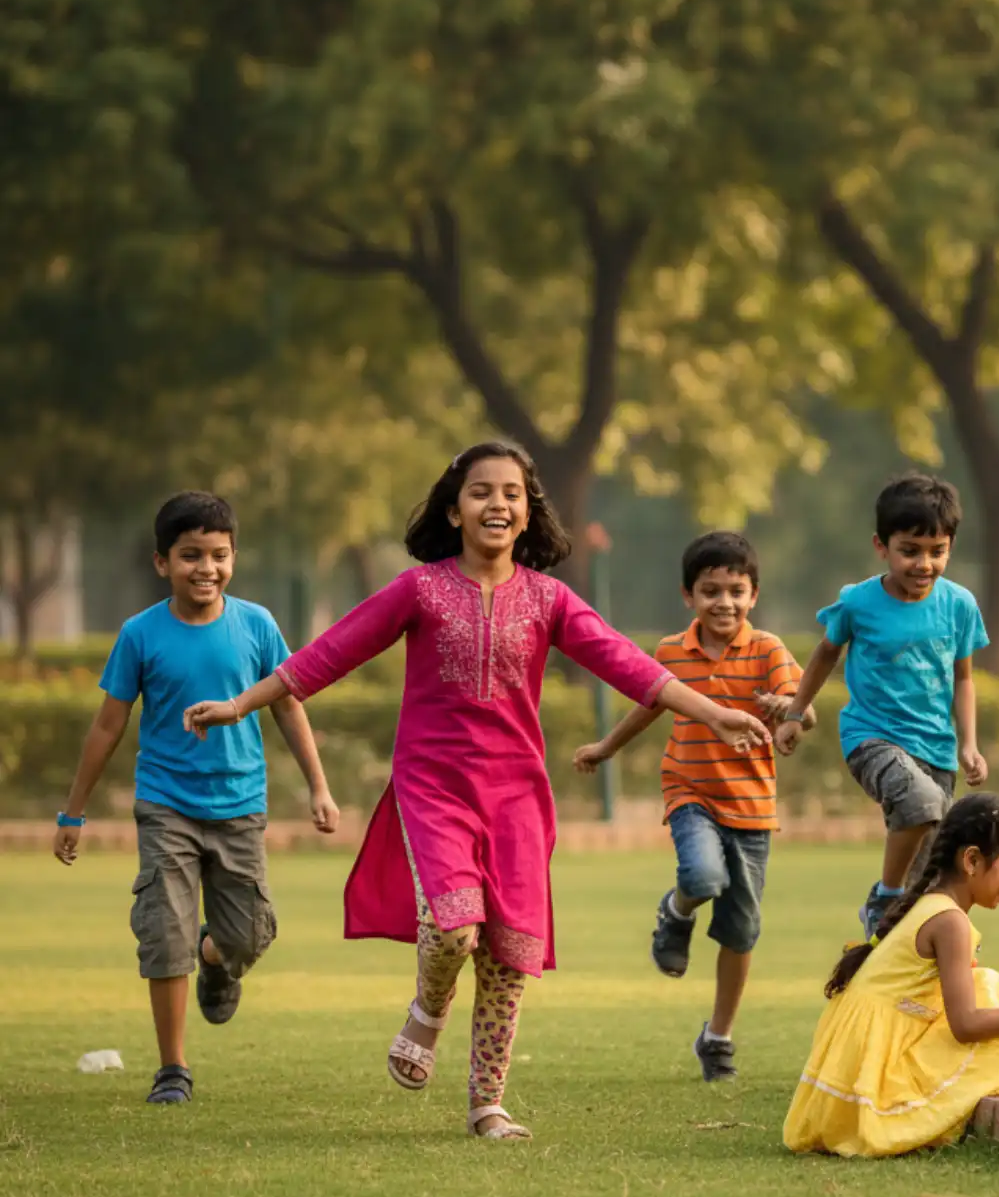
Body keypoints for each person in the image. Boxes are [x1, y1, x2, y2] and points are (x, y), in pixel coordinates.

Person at [182, 442, 771, 1141]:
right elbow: (328, 653)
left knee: (510, 954)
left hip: (517, 795)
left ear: (528, 512)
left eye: (512, 493)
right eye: (482, 491)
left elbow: (629, 665)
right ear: (454, 510)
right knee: (454, 926)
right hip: (433, 785)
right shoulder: (419, 590)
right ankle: (428, 1011)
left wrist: (713, 712)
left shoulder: (549, 599)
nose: (498, 504)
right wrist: (239, 705)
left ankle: (487, 1104)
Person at [53, 492, 339, 1107]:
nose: (206, 568)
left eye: (218, 555)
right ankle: (173, 1069)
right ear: (163, 562)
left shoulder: (257, 625)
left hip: (240, 806)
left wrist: (318, 786)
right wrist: (73, 812)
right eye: (190, 556)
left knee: (248, 936)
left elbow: (288, 706)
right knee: (164, 933)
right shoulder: (140, 634)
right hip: (166, 806)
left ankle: (215, 956)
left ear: (233, 558)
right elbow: (107, 726)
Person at [573, 531, 814, 1081]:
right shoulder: (671, 651)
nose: (723, 602)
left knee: (740, 932)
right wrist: (606, 747)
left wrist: (788, 712)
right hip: (692, 792)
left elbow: (804, 709)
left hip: (752, 808)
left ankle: (718, 1037)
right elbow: (648, 706)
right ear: (688, 595)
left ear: (753, 595)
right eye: (710, 591)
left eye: (736, 591)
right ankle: (676, 911)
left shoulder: (768, 649)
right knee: (703, 875)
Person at [783, 794, 999, 1158]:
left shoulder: (933, 906)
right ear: (972, 860)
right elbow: (966, 1023)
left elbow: (962, 999)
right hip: (876, 1073)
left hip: (858, 1073)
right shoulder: (949, 922)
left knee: (985, 982)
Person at [777, 471, 988, 938]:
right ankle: (884, 896)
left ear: (950, 547)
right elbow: (825, 654)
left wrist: (969, 744)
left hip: (936, 749)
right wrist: (794, 713)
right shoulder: (859, 602)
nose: (924, 564)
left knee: (927, 881)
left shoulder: (959, 605)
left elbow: (963, 678)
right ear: (881, 546)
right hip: (871, 737)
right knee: (921, 801)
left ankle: (890, 939)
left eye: (937, 551)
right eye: (910, 551)